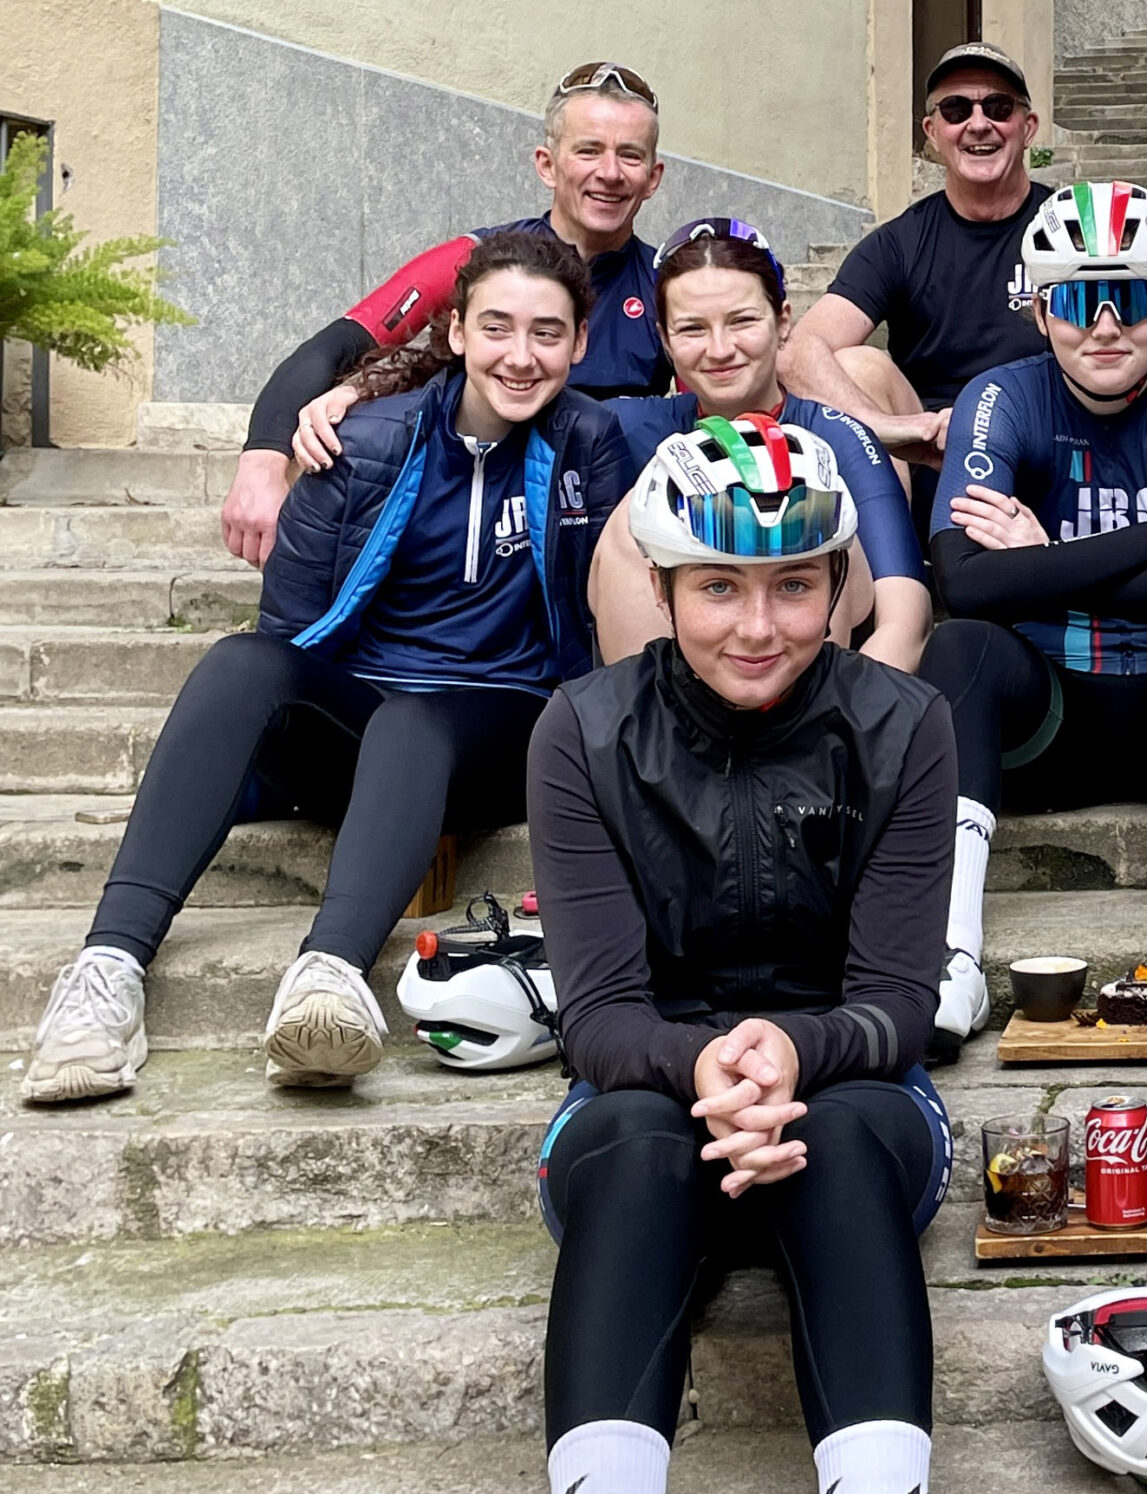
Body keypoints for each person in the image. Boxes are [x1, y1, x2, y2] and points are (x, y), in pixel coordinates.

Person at [527, 417, 958, 1494]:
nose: (758, 624)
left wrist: (792, 1055)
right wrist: (710, 1062)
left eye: (793, 587)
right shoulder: (581, 729)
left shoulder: (905, 721)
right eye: (718, 587)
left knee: (839, 1138)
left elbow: (899, 1004)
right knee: (643, 1143)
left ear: (843, 583)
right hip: (645, 1087)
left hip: (849, 1084)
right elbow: (595, 1018)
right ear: (658, 580)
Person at [22, 228, 629, 1105]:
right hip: (362, 719)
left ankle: (328, 980)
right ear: (455, 331)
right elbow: (292, 633)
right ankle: (106, 971)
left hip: (501, 724)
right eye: (497, 327)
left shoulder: (593, 442)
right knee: (242, 664)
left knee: (416, 718)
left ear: (579, 343)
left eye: (547, 333)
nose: (521, 355)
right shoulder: (363, 439)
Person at [922, 181, 1147, 1063]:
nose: (1105, 326)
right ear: (1041, 310)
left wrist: (1039, 561)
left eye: (1131, 299)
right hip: (1044, 727)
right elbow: (965, 585)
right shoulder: (1000, 397)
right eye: (1081, 301)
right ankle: (948, 956)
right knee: (960, 645)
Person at [221, 61, 670, 567]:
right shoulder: (475, 261)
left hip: (597, 524)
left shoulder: (667, 284)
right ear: (546, 164)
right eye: (588, 150)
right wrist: (261, 463)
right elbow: (338, 345)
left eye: (629, 156)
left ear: (653, 177)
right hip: (465, 516)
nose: (609, 173)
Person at [593, 218, 931, 668]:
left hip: (811, 690)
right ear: (666, 341)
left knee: (818, 508)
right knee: (631, 518)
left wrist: (856, 725)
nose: (720, 349)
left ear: (783, 320)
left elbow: (906, 617)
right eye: (693, 329)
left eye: (743, 321)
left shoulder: (837, 433)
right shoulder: (626, 425)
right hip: (672, 692)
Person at [779, 40, 1047, 543]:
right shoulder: (900, 244)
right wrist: (896, 428)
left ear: (1027, 127)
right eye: (955, 109)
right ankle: (897, 570)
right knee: (857, 364)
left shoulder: (1069, 227)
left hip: (1053, 450)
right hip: (938, 459)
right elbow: (798, 352)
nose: (978, 123)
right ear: (932, 132)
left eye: (998, 107)